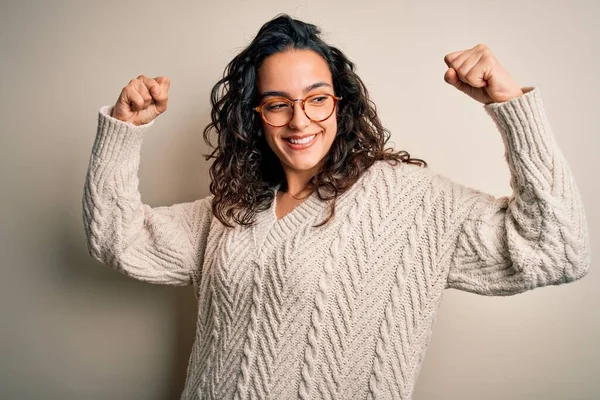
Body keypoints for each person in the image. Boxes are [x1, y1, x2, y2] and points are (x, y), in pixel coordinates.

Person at [82, 14, 590, 400]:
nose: (299, 121)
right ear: (255, 116)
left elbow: (558, 252)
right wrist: (125, 131)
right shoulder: (231, 209)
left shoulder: (410, 201)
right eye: (277, 103)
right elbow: (116, 238)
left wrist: (509, 106)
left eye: (317, 98)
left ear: (340, 104)